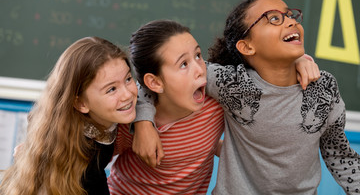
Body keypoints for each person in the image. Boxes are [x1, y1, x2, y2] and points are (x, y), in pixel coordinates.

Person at [108, 20, 320, 195]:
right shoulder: (130, 118)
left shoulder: (217, 104)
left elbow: (263, 70)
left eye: (198, 55)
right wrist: (143, 122)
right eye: (183, 64)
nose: (200, 69)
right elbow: (89, 164)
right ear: (155, 83)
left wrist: (296, 61)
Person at [205, 0, 360, 194]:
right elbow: (162, 69)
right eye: (274, 18)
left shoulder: (323, 87)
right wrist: (148, 121)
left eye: (290, 15)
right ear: (247, 46)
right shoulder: (233, 83)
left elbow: (340, 156)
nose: (290, 22)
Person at [0, 37, 138, 195]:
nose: (128, 94)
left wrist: (145, 123)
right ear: (81, 104)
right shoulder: (77, 154)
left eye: (128, 79)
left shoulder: (101, 115)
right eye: (111, 89)